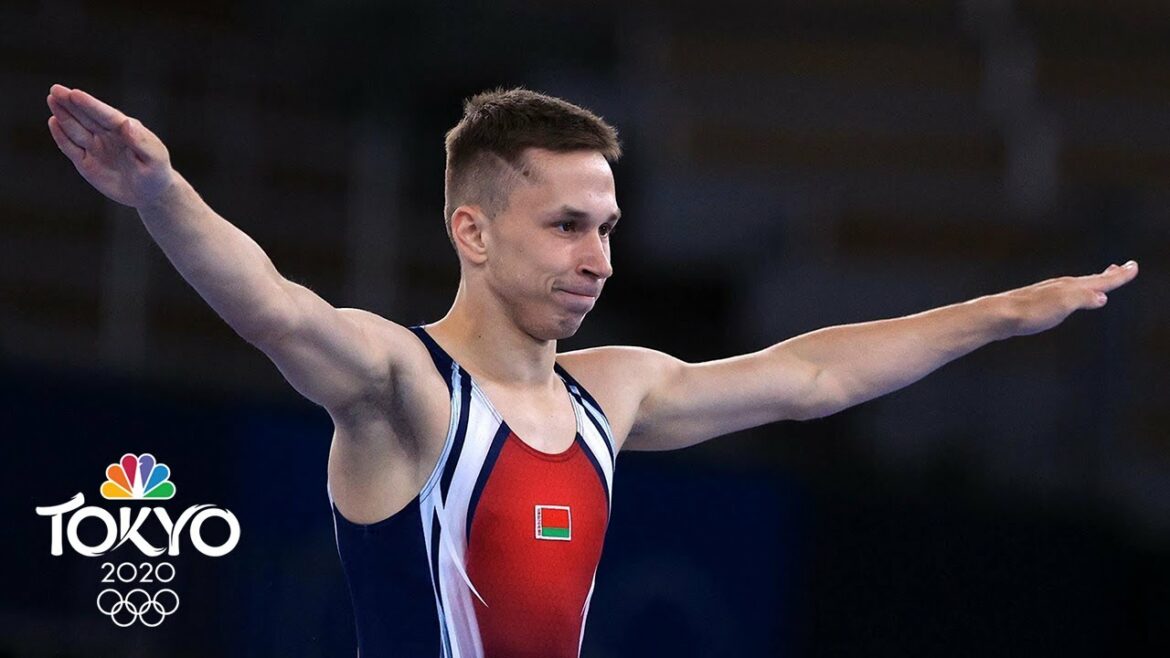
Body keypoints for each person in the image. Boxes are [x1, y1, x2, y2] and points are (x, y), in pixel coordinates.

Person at [46, 83, 1138, 657]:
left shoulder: (613, 390)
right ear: (473, 232)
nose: (600, 258)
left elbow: (813, 378)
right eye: (569, 224)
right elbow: (275, 308)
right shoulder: (407, 388)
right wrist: (162, 196)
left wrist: (997, 313)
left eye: (609, 226)